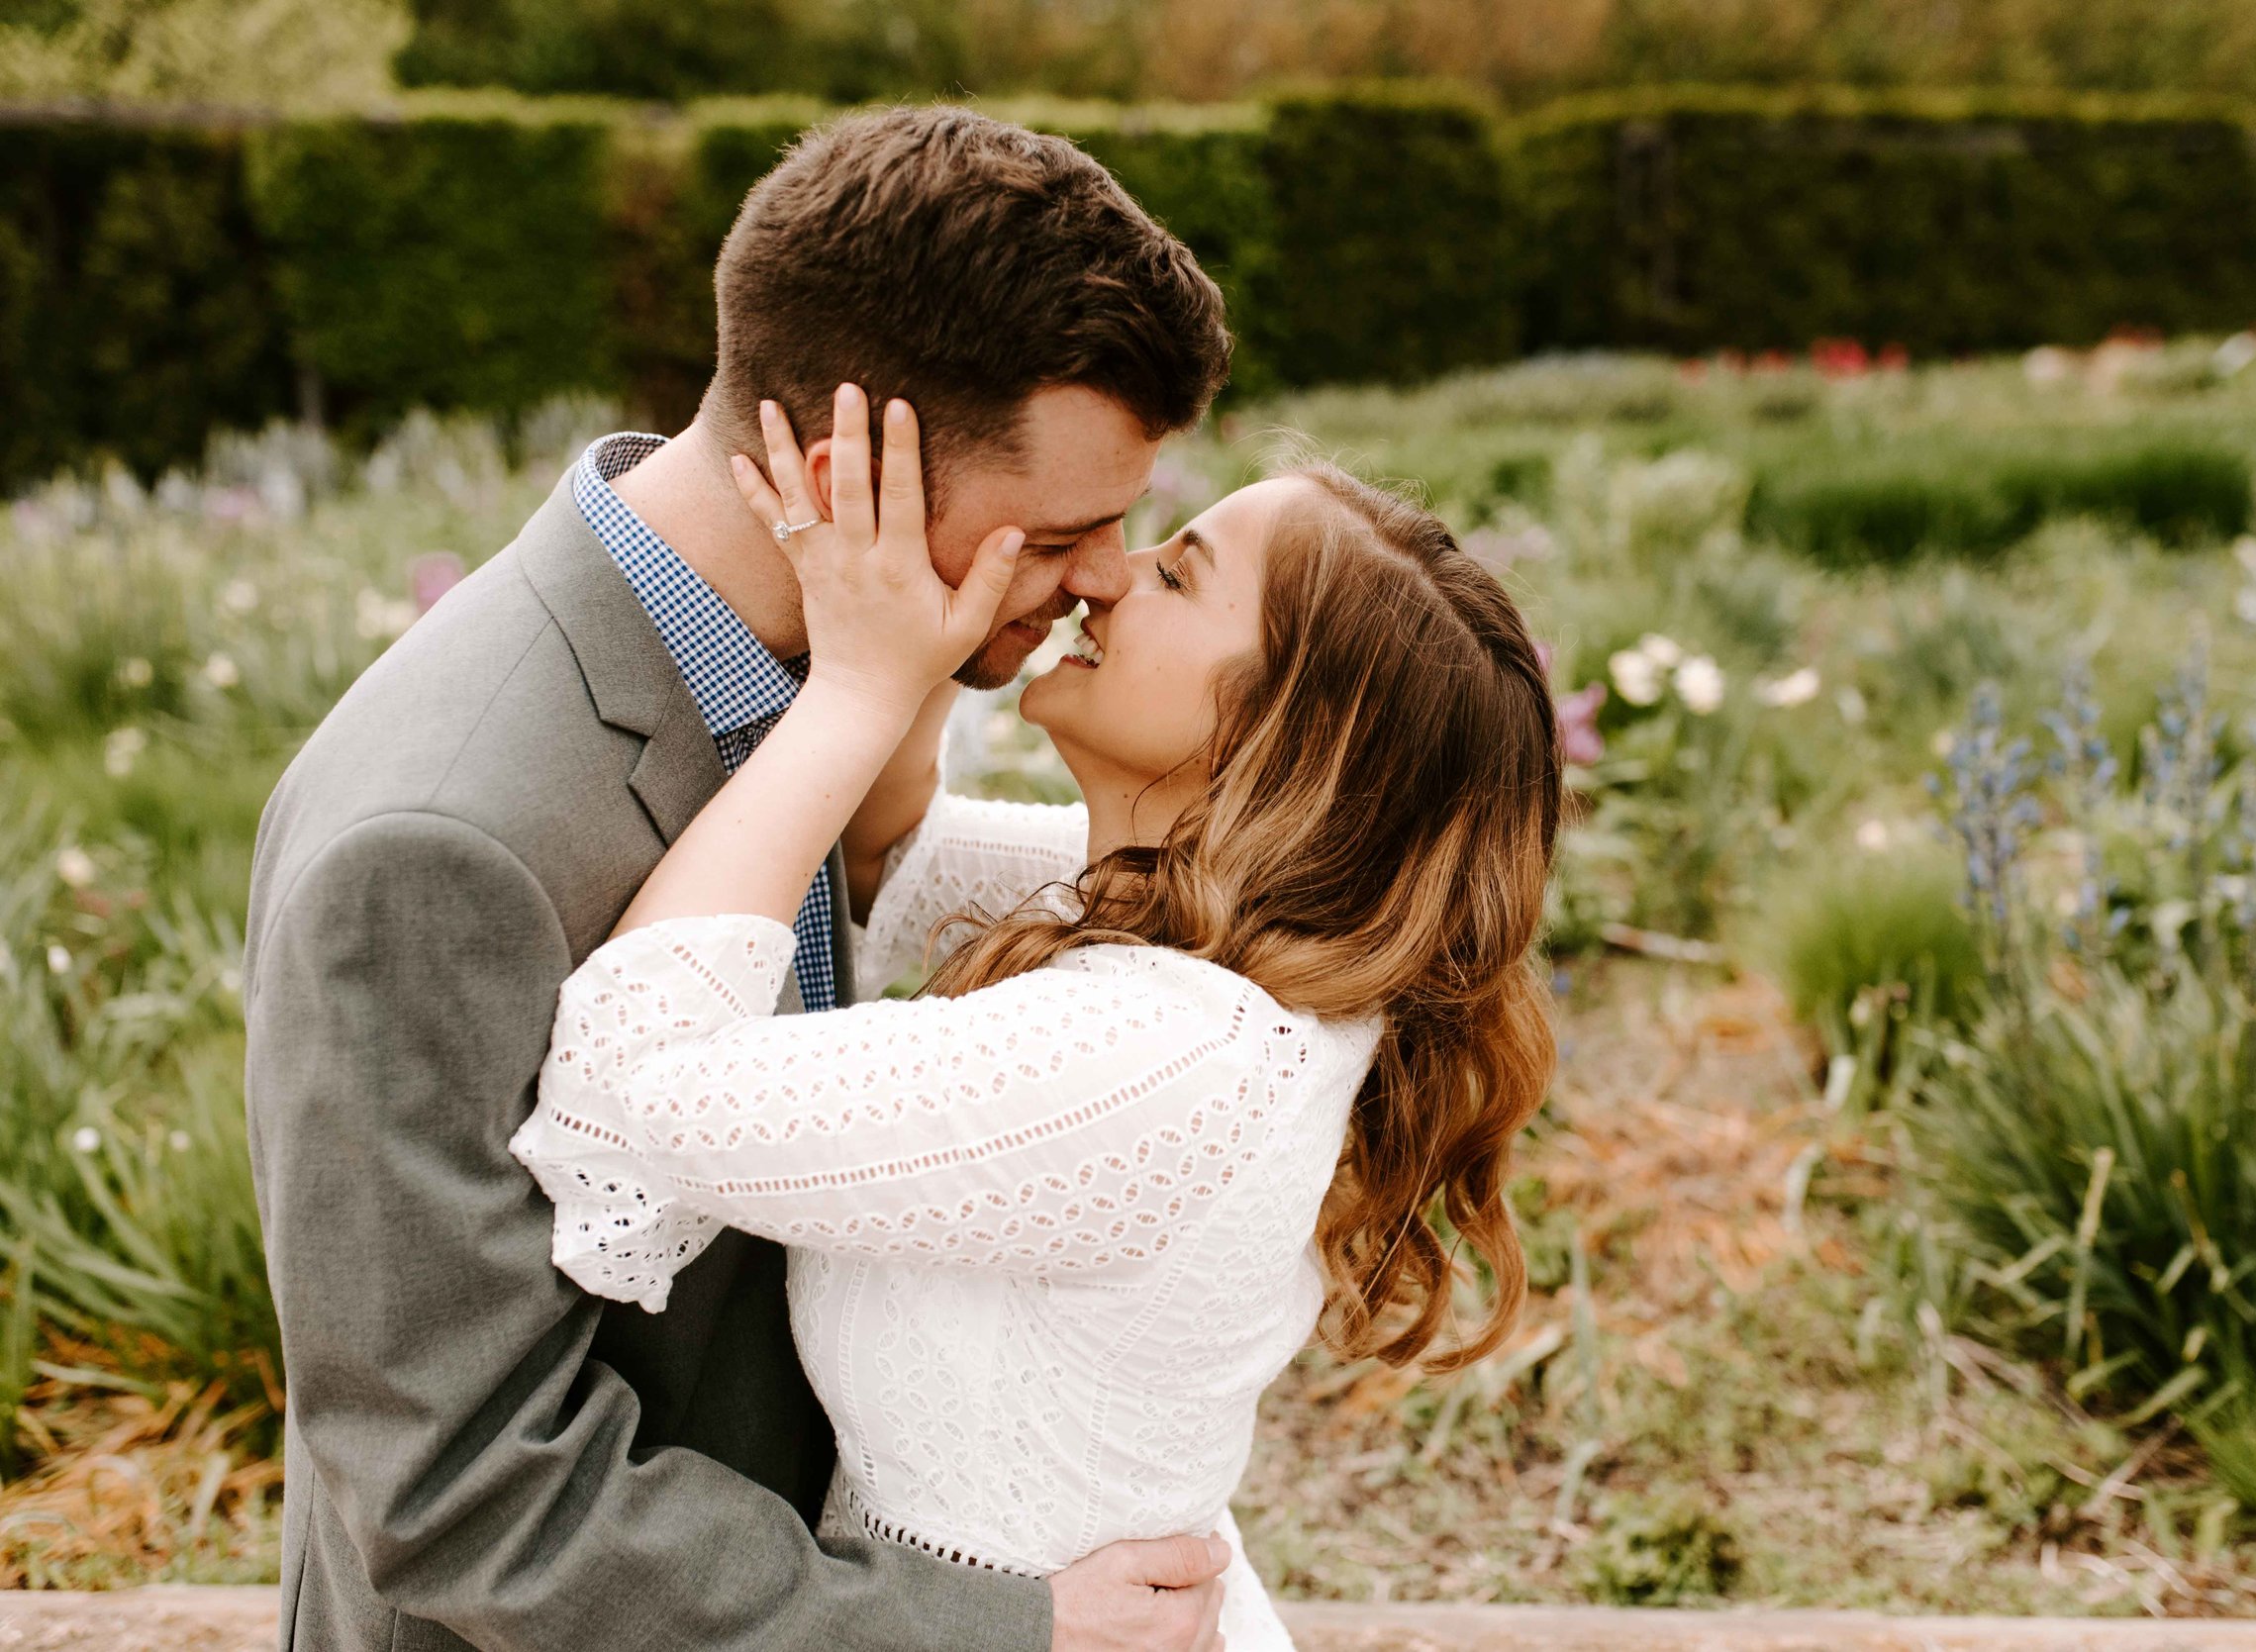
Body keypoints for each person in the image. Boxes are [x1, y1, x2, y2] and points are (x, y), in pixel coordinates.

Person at [243, 106, 1235, 1652]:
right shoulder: (438, 848)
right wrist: (989, 1633)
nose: (1106, 578)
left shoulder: (809, 669)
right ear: (854, 481)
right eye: (1068, 532)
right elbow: (461, 1493)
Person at [508, 387, 1563, 1651]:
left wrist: (852, 689)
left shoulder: (1167, 1058)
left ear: (1280, 733)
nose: (1108, 577)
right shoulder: (1193, 919)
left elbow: (629, 1093)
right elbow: (890, 861)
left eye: (1178, 575)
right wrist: (953, 617)